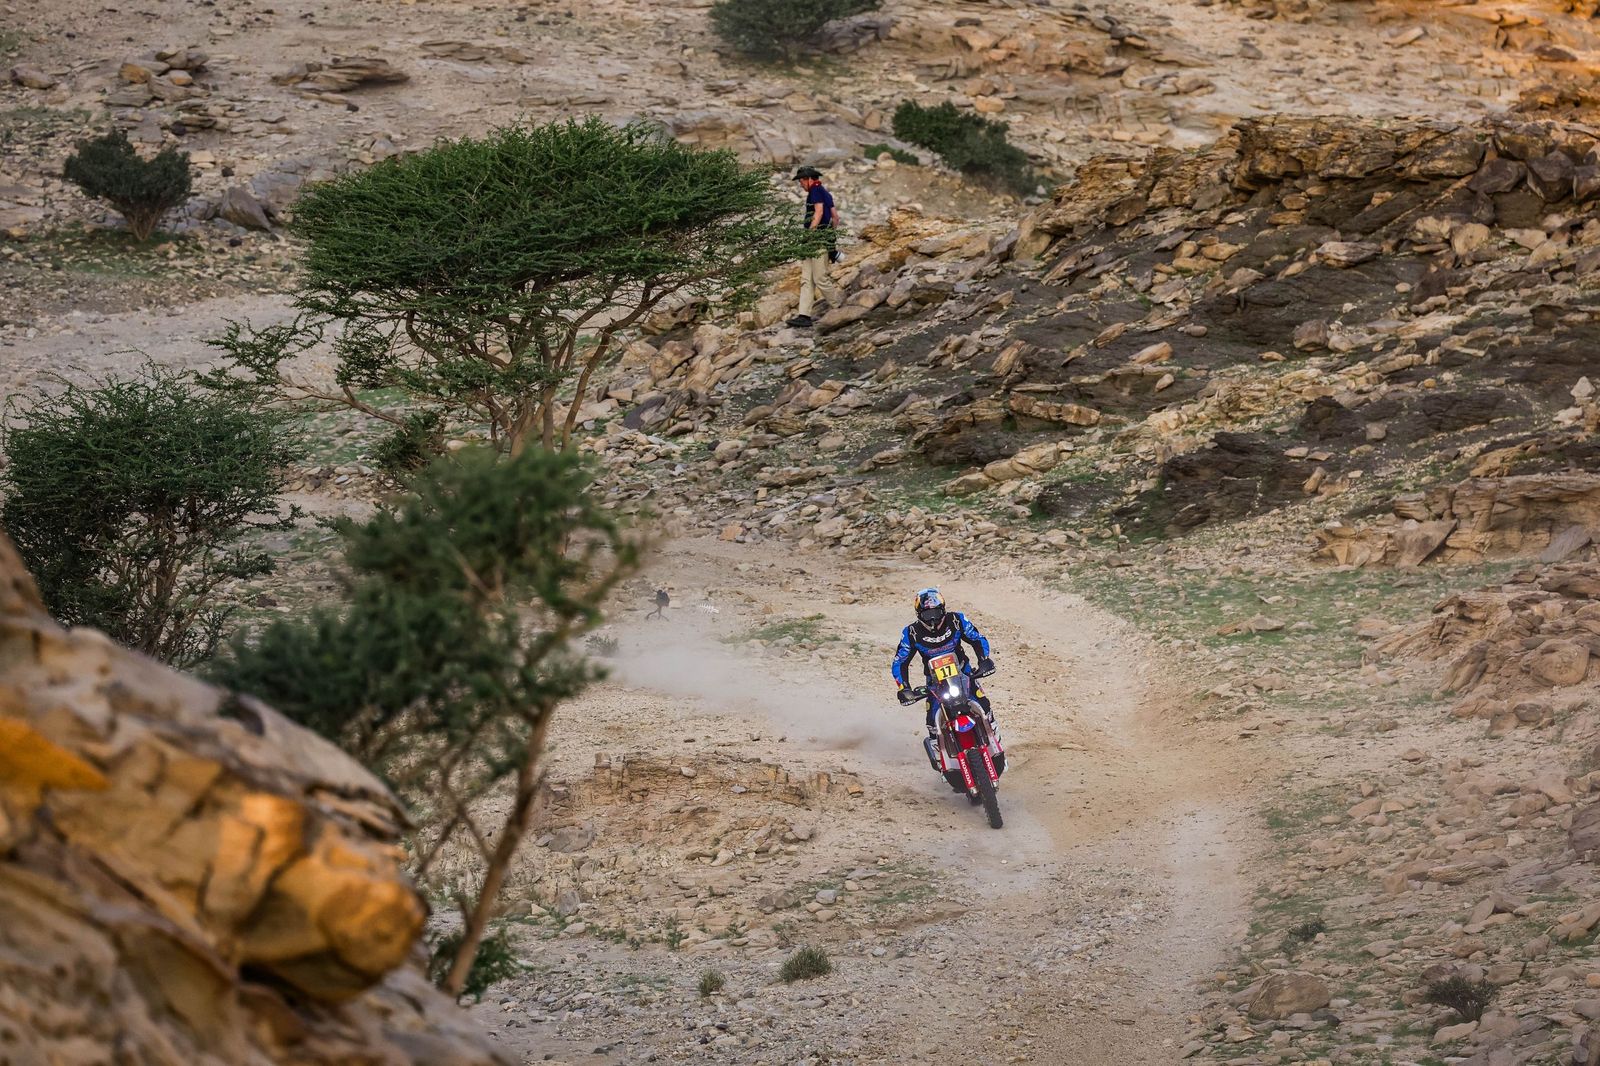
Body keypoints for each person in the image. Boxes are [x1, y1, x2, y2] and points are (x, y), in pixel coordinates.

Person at [890, 588, 996, 744]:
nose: (933, 619)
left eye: (936, 613)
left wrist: (983, 660)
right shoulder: (911, 633)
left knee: (983, 704)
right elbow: (900, 661)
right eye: (928, 615)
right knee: (932, 719)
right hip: (935, 682)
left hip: (963, 673)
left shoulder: (957, 620)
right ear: (919, 615)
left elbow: (977, 638)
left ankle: (994, 735)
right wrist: (904, 687)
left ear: (943, 610)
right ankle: (937, 747)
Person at [788, 166, 839, 329]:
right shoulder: (825, 192)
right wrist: (830, 236)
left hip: (815, 240)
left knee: (819, 278)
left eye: (802, 181)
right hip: (822, 239)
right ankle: (804, 315)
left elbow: (818, 212)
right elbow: (835, 218)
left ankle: (838, 306)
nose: (801, 184)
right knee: (807, 279)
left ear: (809, 179)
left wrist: (810, 235)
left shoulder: (815, 190)